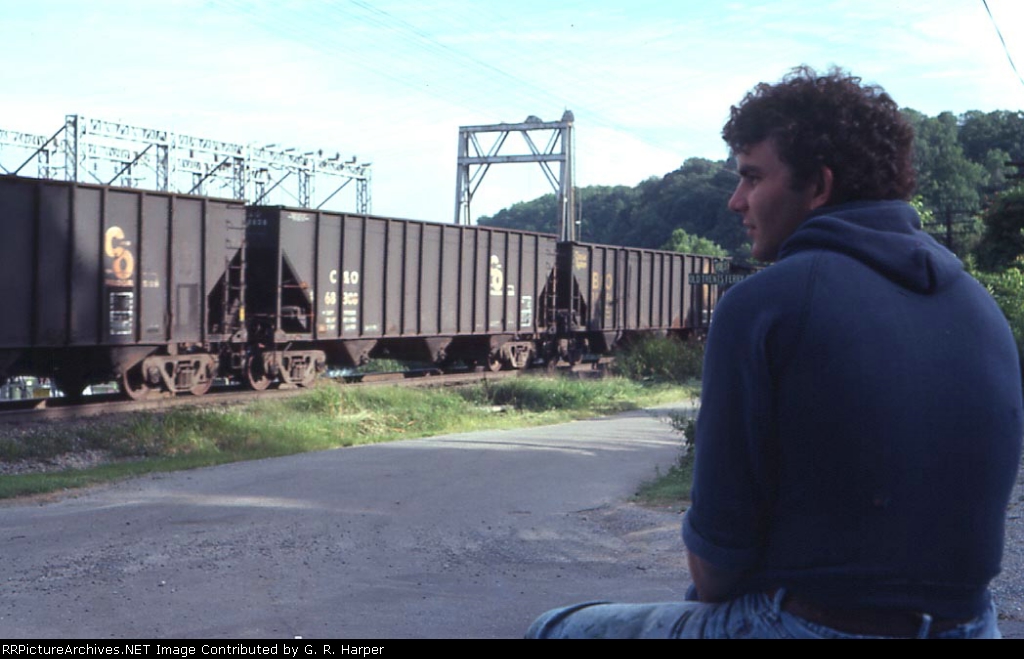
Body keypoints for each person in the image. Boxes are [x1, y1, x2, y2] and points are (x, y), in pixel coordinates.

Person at [526, 66, 1024, 639]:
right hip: (969, 625)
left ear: (818, 186)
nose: (737, 201)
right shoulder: (980, 306)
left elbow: (715, 571)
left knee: (556, 628)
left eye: (753, 178)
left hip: (814, 625)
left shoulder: (765, 305)